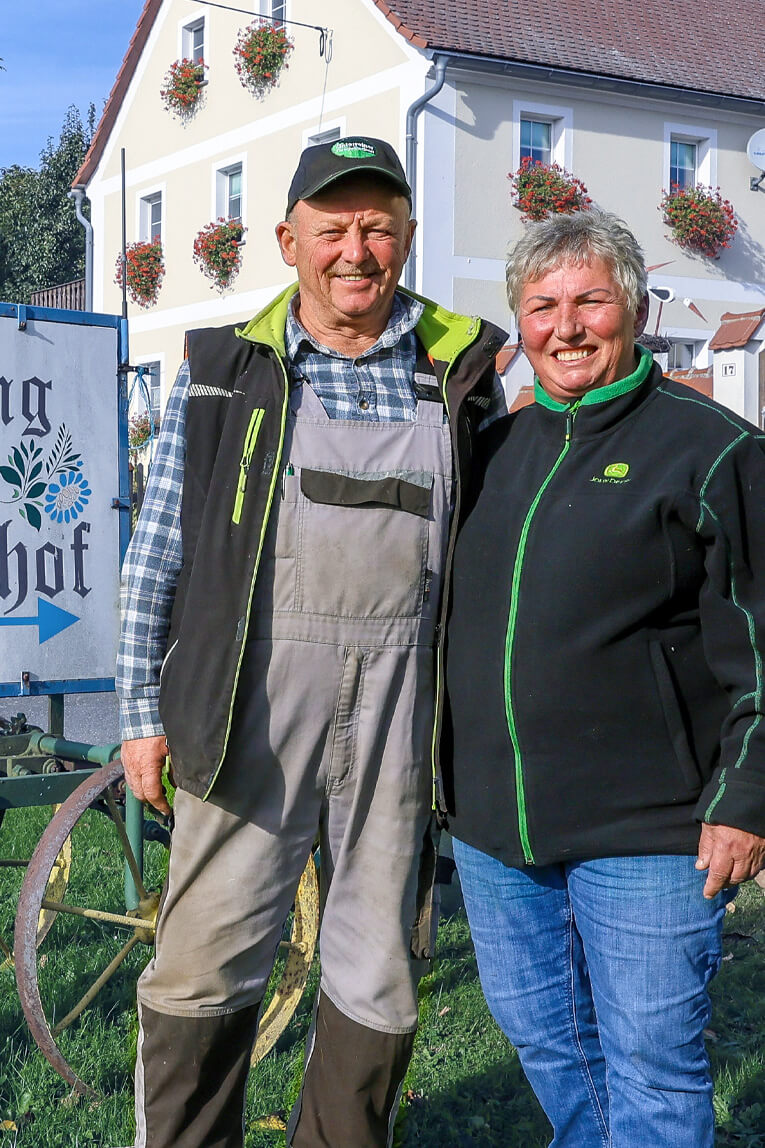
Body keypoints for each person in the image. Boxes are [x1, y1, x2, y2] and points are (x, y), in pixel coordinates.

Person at [117, 134, 507, 1148]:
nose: (356, 251)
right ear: (289, 240)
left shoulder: (460, 374)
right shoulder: (225, 369)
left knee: (378, 968)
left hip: (399, 712)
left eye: (378, 228)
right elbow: (157, 556)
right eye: (332, 228)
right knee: (205, 955)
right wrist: (137, 717)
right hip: (250, 702)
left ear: (408, 239)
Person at [442, 209, 765, 1147]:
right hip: (496, 833)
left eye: (590, 299)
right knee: (552, 1048)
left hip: (651, 831)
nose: (565, 326)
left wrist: (745, 799)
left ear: (633, 308)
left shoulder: (712, 450)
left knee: (654, 1068)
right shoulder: (492, 452)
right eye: (541, 306)